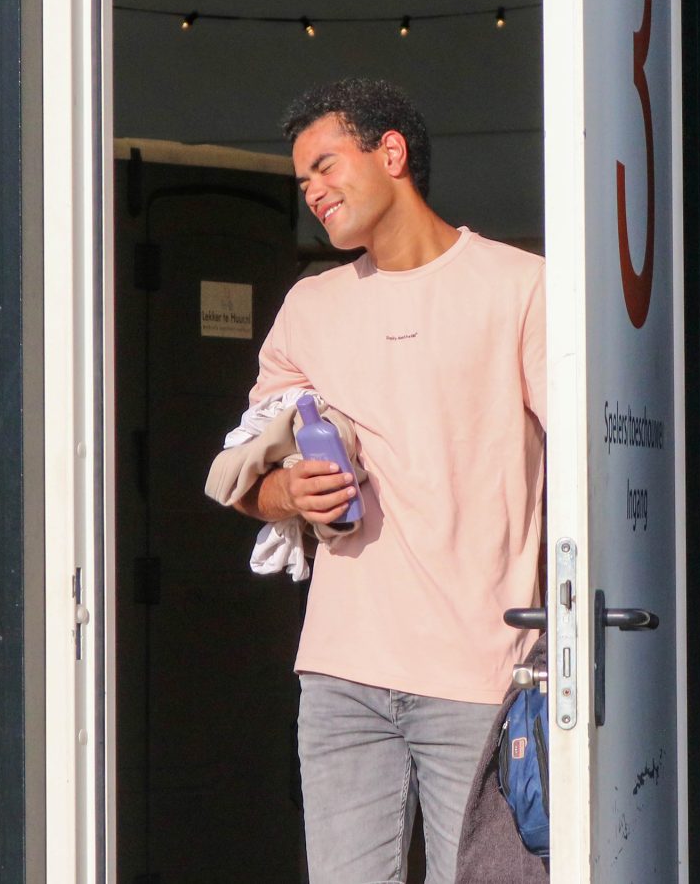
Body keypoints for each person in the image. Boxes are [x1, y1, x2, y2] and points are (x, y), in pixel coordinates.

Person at [230, 78, 546, 884]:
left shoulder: (522, 287)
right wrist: (289, 493)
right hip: (341, 677)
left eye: (325, 166)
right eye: (302, 180)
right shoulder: (311, 305)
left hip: (480, 676)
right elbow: (245, 474)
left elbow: (589, 467)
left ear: (392, 152)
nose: (312, 192)